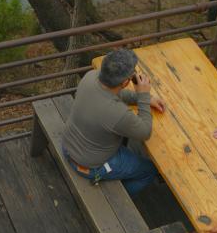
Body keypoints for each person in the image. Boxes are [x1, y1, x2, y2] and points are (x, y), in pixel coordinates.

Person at [61, 49, 166, 196]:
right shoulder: (118, 113)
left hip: (67, 147)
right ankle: (121, 198)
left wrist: (145, 99)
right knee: (150, 170)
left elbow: (115, 94)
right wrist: (143, 95)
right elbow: (144, 132)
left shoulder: (91, 77)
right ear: (125, 82)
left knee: (123, 137)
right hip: (90, 166)